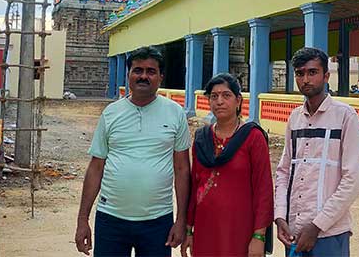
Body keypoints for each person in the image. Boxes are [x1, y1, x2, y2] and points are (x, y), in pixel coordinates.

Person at [75, 46, 191, 257]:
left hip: (158, 220)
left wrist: (181, 220)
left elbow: (182, 169)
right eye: (137, 70)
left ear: (160, 77)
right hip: (111, 219)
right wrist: (82, 220)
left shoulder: (175, 113)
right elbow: (96, 167)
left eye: (151, 71)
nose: (143, 76)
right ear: (128, 75)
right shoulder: (111, 114)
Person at [275, 47, 359, 256]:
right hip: (294, 232)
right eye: (300, 73)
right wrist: (280, 217)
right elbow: (284, 171)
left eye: (312, 72)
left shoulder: (345, 116)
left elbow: (353, 179)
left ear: (326, 76)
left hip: (330, 234)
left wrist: (317, 225)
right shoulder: (295, 118)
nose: (305, 79)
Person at [181, 73, 274, 257]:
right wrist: (189, 230)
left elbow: (263, 188)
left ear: (238, 100)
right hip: (206, 228)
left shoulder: (252, 137)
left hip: (240, 230)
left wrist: (259, 236)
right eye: (214, 96)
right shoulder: (202, 138)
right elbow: (195, 186)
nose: (219, 101)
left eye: (226, 95)